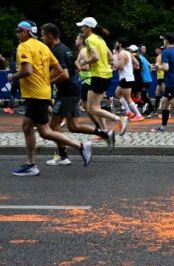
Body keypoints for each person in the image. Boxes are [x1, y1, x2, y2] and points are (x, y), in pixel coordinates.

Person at [9, 20, 93, 175]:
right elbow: (59, 69)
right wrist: (45, 80)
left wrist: (13, 76)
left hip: (35, 94)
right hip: (41, 92)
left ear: (26, 32)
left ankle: (80, 147)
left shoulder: (23, 46)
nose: (17, 34)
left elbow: (27, 70)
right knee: (27, 127)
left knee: (45, 131)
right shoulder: (43, 47)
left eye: (19, 31)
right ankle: (30, 163)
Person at [41, 23, 111, 165]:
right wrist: (76, 81)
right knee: (73, 126)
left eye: (43, 35)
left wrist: (48, 82)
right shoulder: (65, 48)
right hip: (73, 90)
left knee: (52, 126)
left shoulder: (56, 51)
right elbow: (77, 67)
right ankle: (105, 134)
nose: (42, 38)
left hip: (66, 93)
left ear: (49, 35)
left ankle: (64, 156)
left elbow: (65, 74)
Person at [77, 16, 128, 137]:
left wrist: (85, 62)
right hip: (104, 75)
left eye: (83, 27)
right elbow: (110, 57)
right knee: (93, 107)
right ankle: (104, 132)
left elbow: (95, 57)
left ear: (89, 28)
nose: (82, 29)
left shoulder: (90, 40)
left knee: (92, 109)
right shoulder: (100, 39)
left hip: (98, 75)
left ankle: (119, 119)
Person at [156, 33, 174, 133]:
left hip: (171, 82)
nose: (163, 41)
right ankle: (163, 127)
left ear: (167, 41)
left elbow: (165, 68)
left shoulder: (165, 52)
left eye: (164, 40)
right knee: (165, 103)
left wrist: (158, 66)